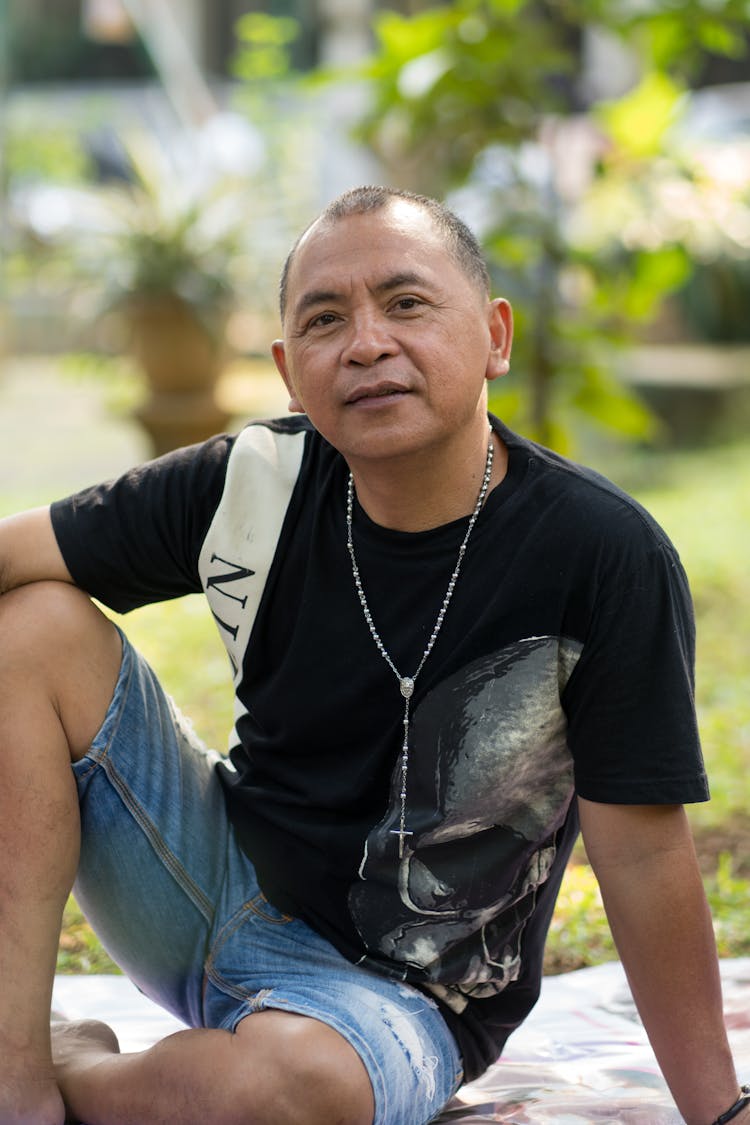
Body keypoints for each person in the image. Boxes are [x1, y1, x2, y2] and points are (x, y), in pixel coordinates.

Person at [0, 185, 747, 1125]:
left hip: (403, 1002)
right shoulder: (253, 482)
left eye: (406, 303)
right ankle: (15, 1082)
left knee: (291, 1088)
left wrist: (719, 1112)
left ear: (495, 336)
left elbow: (639, 853)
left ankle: (78, 1066)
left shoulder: (600, 554)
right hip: (210, 885)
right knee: (29, 627)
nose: (365, 343)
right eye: (325, 319)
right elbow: (13, 553)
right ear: (288, 368)